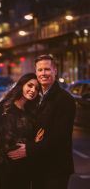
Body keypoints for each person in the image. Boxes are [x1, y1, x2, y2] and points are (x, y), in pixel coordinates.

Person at [8, 54, 76, 189]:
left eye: (47, 69)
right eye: (40, 70)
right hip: (37, 167)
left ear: (55, 71)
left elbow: (60, 137)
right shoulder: (35, 98)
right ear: (36, 72)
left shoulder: (64, 99)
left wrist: (29, 148)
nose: (43, 73)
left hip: (55, 169)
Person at [0, 73, 40, 189]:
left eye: (37, 89)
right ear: (22, 85)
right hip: (8, 168)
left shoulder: (30, 109)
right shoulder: (5, 108)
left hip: (25, 168)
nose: (33, 90)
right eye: (30, 85)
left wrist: (31, 145)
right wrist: (34, 143)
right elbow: (9, 143)